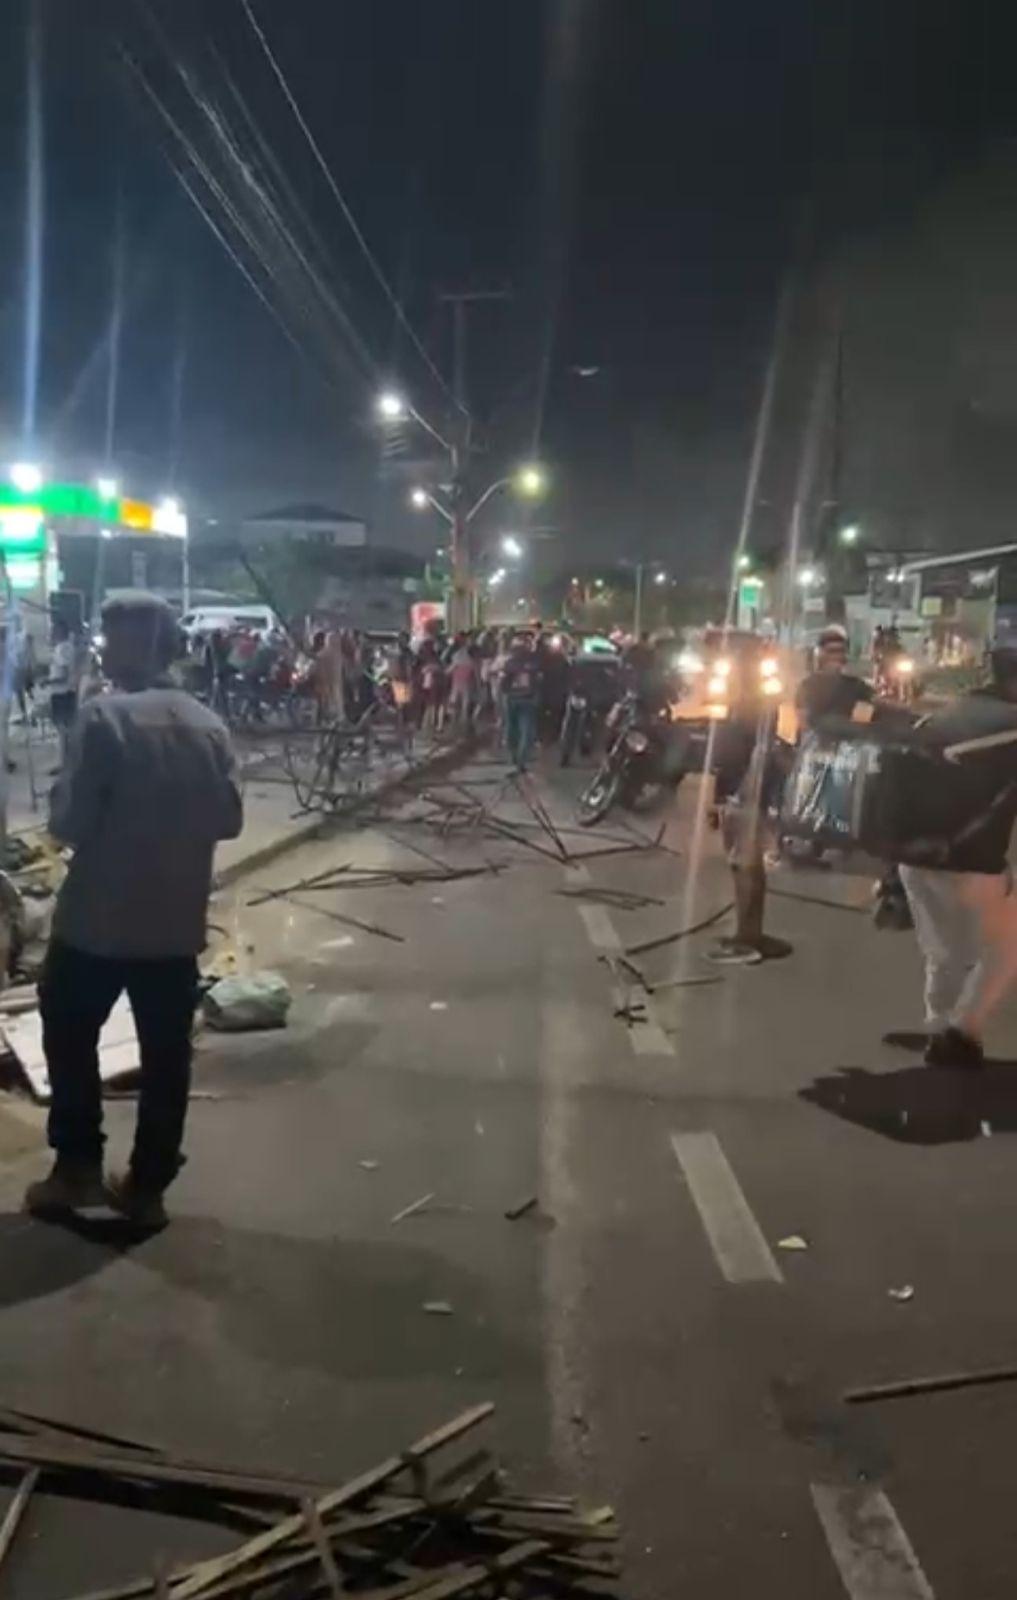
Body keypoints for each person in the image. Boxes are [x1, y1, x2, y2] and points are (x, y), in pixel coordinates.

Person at [25, 594, 243, 1229]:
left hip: (98, 922)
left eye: (109, 635)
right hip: (174, 924)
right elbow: (229, 820)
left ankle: (77, 1166)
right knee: (167, 1057)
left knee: (69, 1033)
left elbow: (68, 822)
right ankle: (147, 1186)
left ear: (129, 644)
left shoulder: (103, 718)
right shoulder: (208, 724)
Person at [895, 646, 1017, 1068]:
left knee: (943, 952)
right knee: (1005, 948)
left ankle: (939, 1028)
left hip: (913, 857)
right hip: (972, 861)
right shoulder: (1011, 726)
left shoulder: (946, 714)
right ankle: (961, 1031)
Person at [795, 627, 874, 733]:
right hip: (816, 740)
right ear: (821, 654)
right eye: (831, 651)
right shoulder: (807, 686)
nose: (835, 656)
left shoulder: (861, 688)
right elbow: (802, 726)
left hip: (848, 740)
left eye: (840, 651)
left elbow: (861, 725)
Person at [501, 637, 542, 770]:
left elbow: (503, 683)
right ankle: (521, 759)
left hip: (513, 698)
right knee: (525, 731)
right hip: (527, 699)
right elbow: (538, 682)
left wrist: (505, 692)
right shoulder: (533, 664)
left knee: (512, 729)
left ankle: (515, 757)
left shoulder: (510, 663)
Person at [47, 618, 82, 768]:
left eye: (54, 630)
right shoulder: (64, 648)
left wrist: (48, 681)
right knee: (65, 732)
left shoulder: (63, 649)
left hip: (62, 693)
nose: (51, 633)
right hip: (64, 692)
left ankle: (64, 764)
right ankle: (65, 763)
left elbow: (64, 674)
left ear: (60, 632)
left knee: (63, 732)